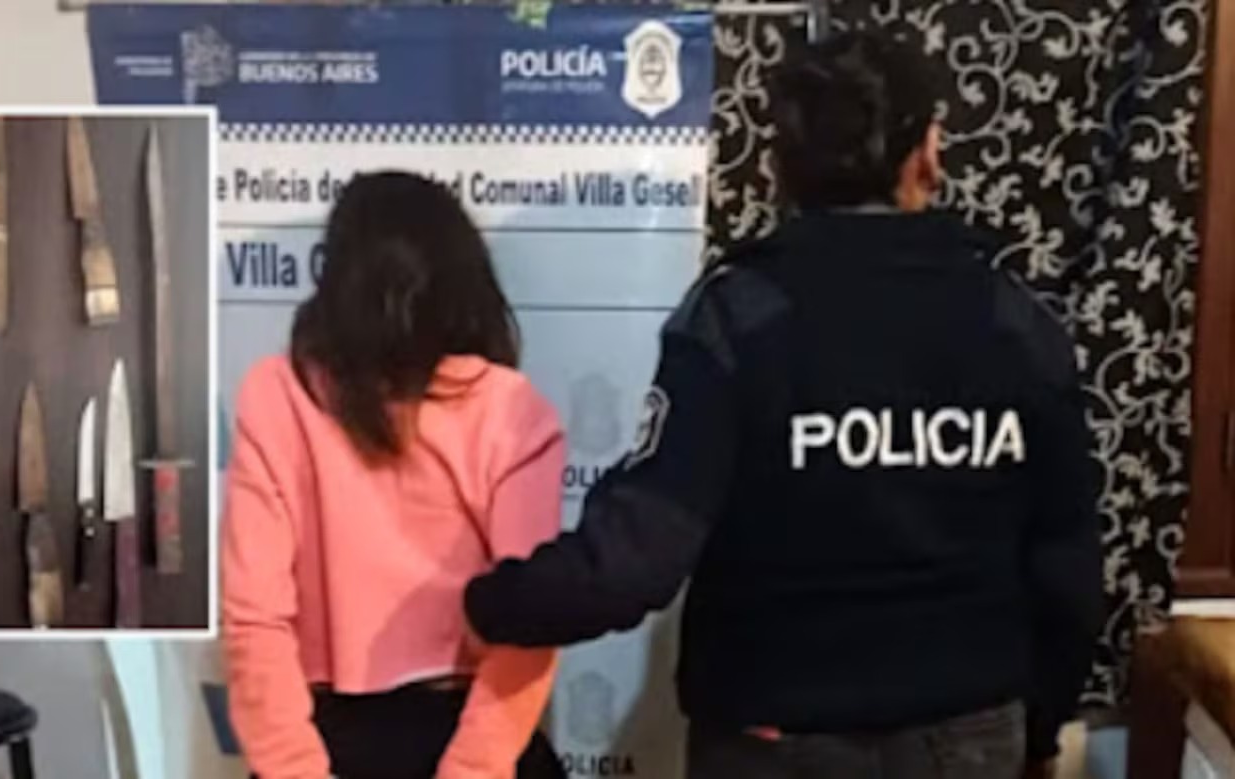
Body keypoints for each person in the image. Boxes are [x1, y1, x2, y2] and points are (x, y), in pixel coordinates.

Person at [463, 31, 1102, 779]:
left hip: (774, 742)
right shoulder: (1015, 320)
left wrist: (483, 606)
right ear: (927, 152)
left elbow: (638, 557)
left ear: (783, 166)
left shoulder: (736, 317)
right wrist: (1041, 728)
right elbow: (1068, 569)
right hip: (965, 737)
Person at [221, 171, 567, 779]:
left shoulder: (278, 391)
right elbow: (529, 626)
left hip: (330, 738)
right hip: (467, 736)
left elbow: (255, 620)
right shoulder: (511, 410)